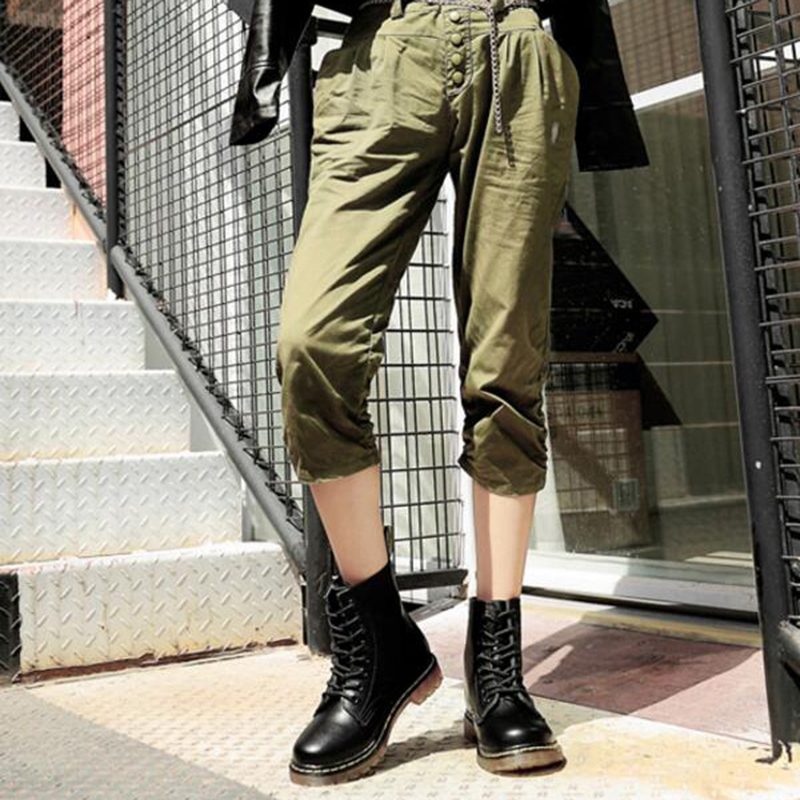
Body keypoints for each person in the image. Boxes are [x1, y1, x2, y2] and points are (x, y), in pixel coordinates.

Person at [229, 0, 649, 785]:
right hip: (384, 48)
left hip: (516, 44)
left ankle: (496, 670)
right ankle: (379, 639)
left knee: (507, 367)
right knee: (313, 345)